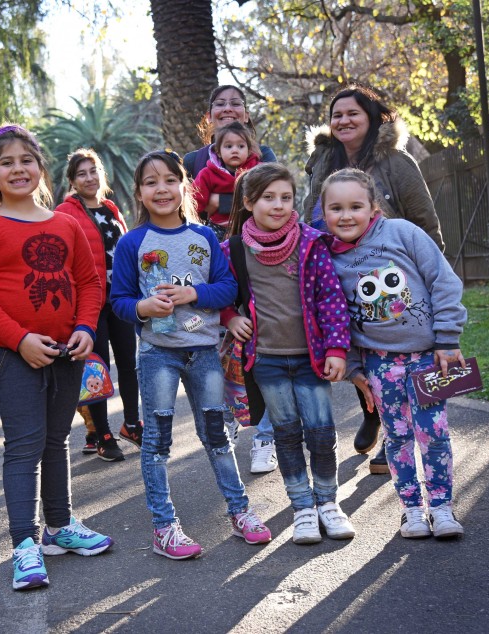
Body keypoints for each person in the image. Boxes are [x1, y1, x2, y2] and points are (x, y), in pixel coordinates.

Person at [0, 124, 112, 591]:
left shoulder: (65, 224)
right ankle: (24, 544)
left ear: (41, 169)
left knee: (57, 441)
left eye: (26, 159)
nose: (18, 168)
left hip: (67, 352)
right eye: (6, 162)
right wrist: (19, 338)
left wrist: (85, 327)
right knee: (24, 447)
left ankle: (60, 528)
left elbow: (89, 282)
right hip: (13, 357)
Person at [110, 150, 271, 560]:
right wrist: (144, 308)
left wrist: (192, 294)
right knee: (157, 444)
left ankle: (240, 512)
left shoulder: (204, 239)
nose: (161, 188)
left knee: (218, 438)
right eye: (150, 182)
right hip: (157, 355)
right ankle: (164, 527)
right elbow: (120, 301)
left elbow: (227, 291)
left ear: (185, 186)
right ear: (140, 193)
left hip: (203, 352)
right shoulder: (132, 243)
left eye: (169, 179)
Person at [302, 84, 445, 475]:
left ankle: (393, 432)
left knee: (395, 355)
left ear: (371, 118)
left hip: (391, 281)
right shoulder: (321, 160)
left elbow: (426, 225)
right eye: (337, 115)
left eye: (353, 113)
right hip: (336, 274)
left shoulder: (396, 162)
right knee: (355, 354)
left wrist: (427, 284)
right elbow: (308, 214)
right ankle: (375, 412)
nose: (344, 121)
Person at [321, 168, 466, 540]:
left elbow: (443, 281)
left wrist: (447, 339)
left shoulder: (403, 233)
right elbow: (337, 317)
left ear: (374, 208)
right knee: (398, 438)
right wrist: (355, 369)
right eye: (336, 208)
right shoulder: (328, 258)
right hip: (379, 365)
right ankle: (412, 510)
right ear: (323, 213)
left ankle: (442, 507)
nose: (346, 215)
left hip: (427, 358)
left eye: (356, 206)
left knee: (433, 434)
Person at [221, 163, 355, 544]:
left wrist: (336, 348)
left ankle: (329, 503)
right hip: (267, 361)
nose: (278, 205)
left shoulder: (311, 242)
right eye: (268, 198)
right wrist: (231, 317)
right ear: (248, 202)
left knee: (321, 431)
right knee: (287, 434)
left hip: (311, 358)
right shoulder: (232, 249)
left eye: (285, 197)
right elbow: (222, 294)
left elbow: (331, 299)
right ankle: (302, 509)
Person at [182, 84, 279, 474]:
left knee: (264, 340)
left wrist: (220, 204)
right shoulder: (193, 159)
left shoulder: (263, 156)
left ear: (247, 113)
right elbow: (189, 204)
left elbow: (270, 199)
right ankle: (229, 418)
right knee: (215, 343)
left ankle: (266, 435)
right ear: (208, 117)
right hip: (207, 261)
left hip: (257, 255)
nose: (227, 109)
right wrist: (235, 201)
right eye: (219, 104)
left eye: (235, 103)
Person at [55, 149, 142, 461]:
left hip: (120, 297)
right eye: (82, 173)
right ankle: (102, 433)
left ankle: (132, 423)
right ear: (73, 180)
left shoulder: (111, 208)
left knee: (129, 364)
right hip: (90, 302)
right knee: (97, 368)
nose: (89, 178)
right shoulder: (67, 212)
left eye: (93, 171)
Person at [192, 121, 260, 240]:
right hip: (217, 226)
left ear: (249, 151)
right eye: (229, 146)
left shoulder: (257, 171)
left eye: (241, 146)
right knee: (206, 245)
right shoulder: (207, 174)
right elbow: (195, 200)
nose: (235, 150)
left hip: (250, 226)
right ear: (218, 151)